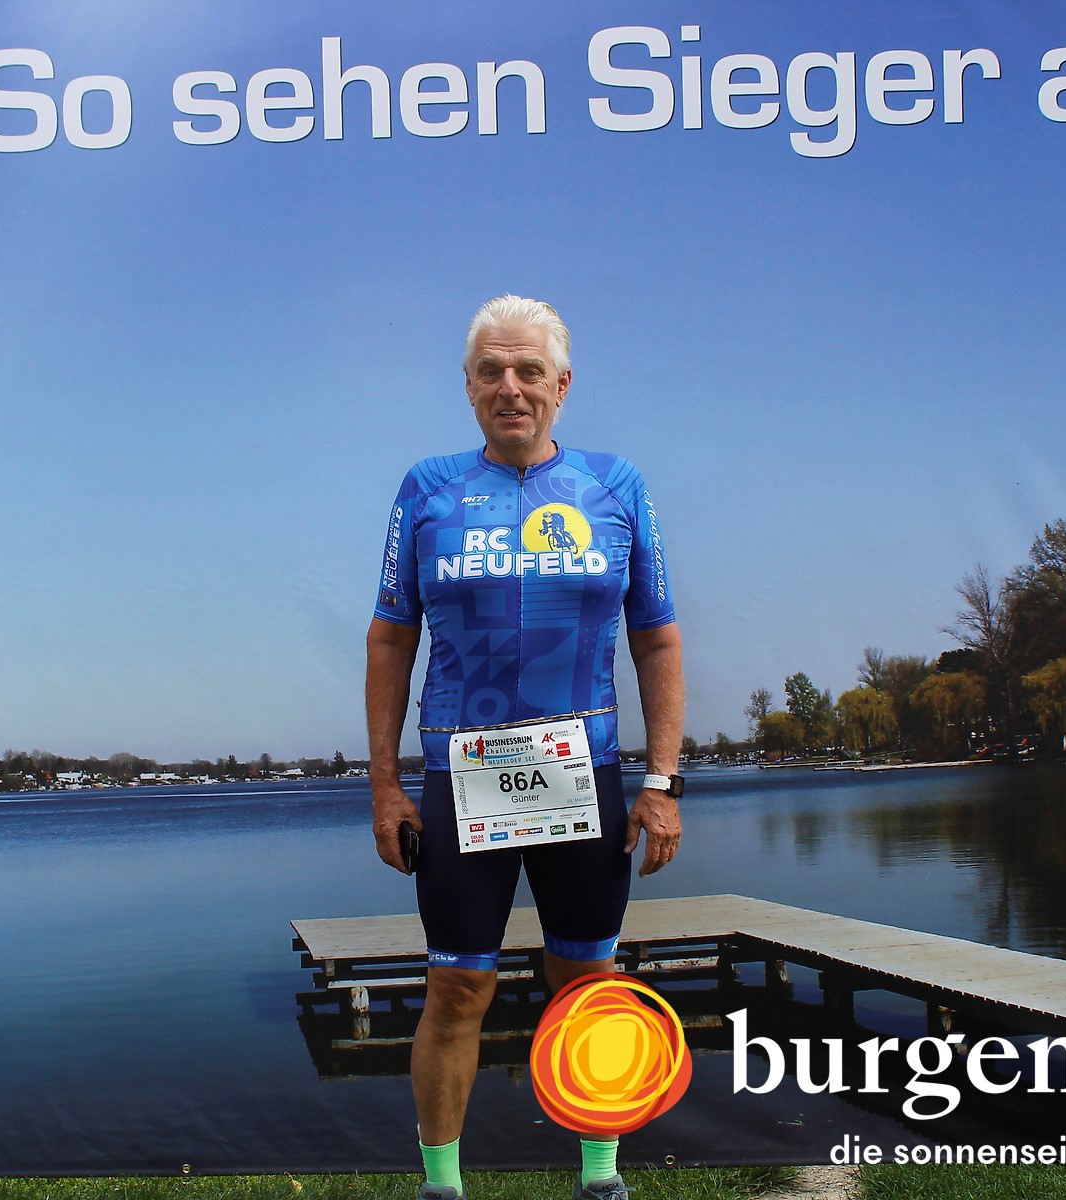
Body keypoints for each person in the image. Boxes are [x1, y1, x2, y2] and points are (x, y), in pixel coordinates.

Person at [366, 295, 685, 1200]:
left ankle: (600, 1179)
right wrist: (385, 785)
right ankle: (441, 1188)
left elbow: (657, 638)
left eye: (529, 371)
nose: (511, 388)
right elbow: (390, 638)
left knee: (588, 983)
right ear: (468, 386)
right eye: (491, 372)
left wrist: (662, 781)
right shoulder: (426, 489)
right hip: (461, 778)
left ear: (562, 385)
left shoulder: (615, 485)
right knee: (456, 990)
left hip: (583, 773)